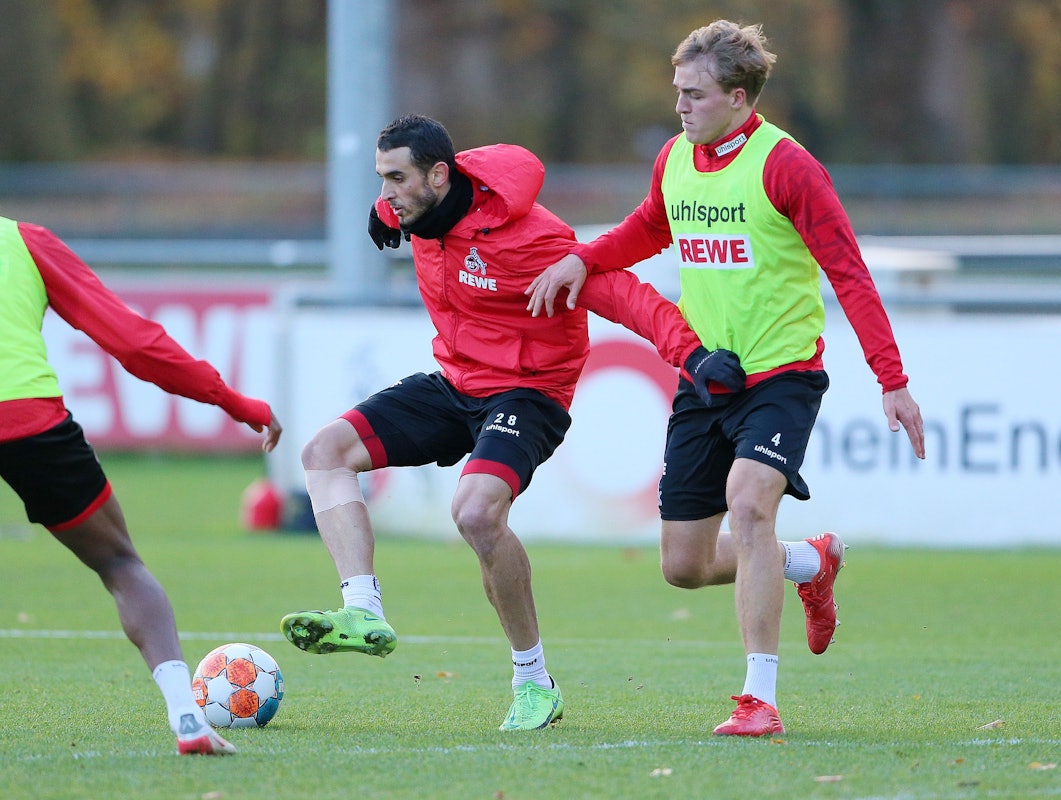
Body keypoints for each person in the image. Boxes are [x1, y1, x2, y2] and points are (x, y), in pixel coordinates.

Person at [525, 20, 926, 736]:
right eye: (677, 91)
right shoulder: (675, 158)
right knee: (682, 565)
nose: (680, 106)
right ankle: (809, 563)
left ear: (738, 98)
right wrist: (584, 257)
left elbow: (847, 272)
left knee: (748, 506)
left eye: (695, 94)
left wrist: (890, 378)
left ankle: (758, 700)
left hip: (781, 377)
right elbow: (650, 227)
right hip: (705, 380)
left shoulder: (787, 167)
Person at [279, 114, 707, 731]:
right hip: (456, 385)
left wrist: (691, 354)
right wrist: (384, 210)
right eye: (381, 180)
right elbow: (407, 205)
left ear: (439, 176)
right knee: (323, 453)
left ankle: (534, 682)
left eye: (396, 180)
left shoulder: (529, 239)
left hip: (530, 393)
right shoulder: (417, 210)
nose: (387, 194)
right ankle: (362, 609)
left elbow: (623, 294)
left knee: (476, 513)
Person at [0, 216, 283, 755]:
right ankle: (187, 718)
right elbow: (136, 344)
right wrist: (233, 402)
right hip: (29, 422)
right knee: (121, 565)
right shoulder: (20, 241)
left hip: (28, 417)